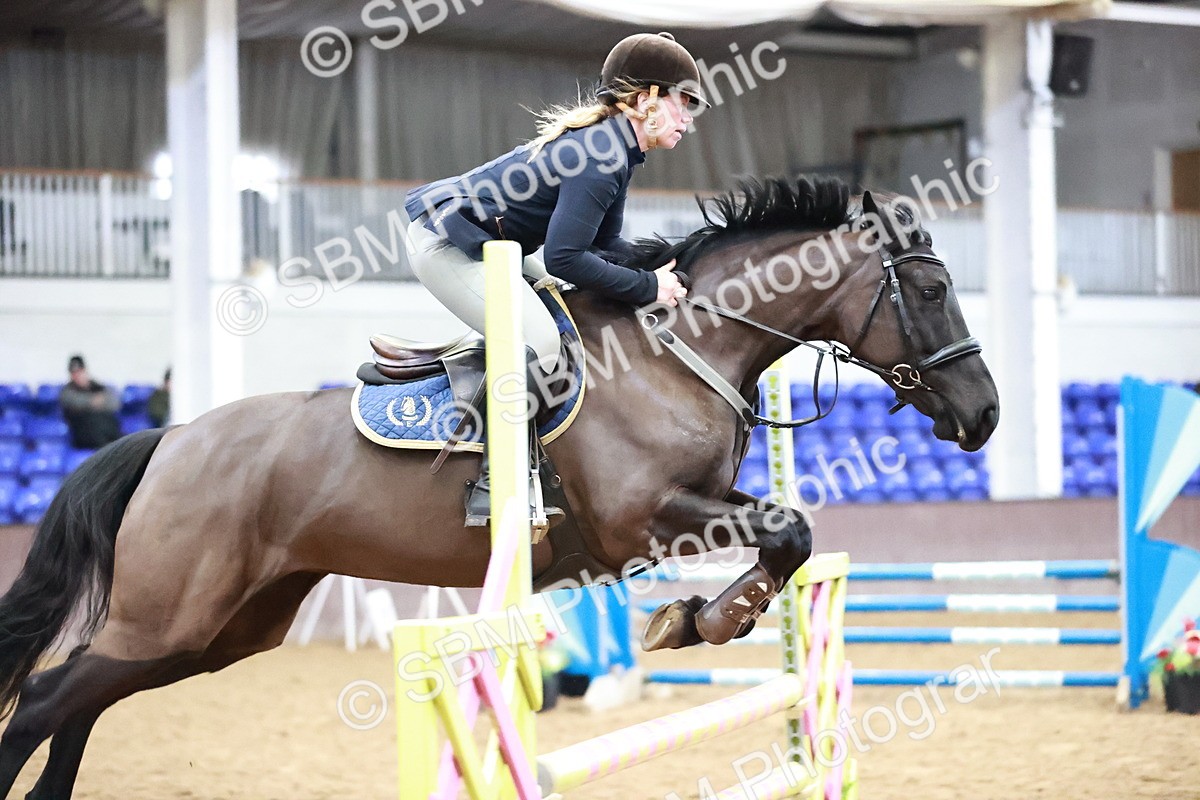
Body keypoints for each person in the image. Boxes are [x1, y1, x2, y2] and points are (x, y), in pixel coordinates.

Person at [403, 31, 706, 526]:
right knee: (542, 342)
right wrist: (650, 289)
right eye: (684, 103)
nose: (689, 119)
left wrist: (672, 261)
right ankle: (494, 483)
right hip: (446, 245)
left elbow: (606, 248)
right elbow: (566, 259)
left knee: (562, 310)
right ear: (646, 99)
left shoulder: (617, 149)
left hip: (494, 245)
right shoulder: (603, 155)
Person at [59, 355, 122, 449]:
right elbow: (74, 401)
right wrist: (93, 402)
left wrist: (91, 404)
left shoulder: (97, 386)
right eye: (74, 373)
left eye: (79, 372)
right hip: (84, 434)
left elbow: (115, 404)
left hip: (106, 429)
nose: (77, 376)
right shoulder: (67, 391)